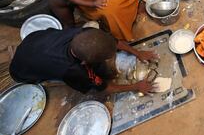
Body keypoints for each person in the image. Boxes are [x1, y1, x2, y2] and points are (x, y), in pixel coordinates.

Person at [9, 28, 155, 94]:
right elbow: (103, 88)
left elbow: (113, 42)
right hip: (23, 72)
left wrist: (137, 53)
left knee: (105, 69)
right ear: (85, 63)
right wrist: (136, 86)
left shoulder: (86, 33)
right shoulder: (73, 70)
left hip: (33, 41)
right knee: (99, 77)